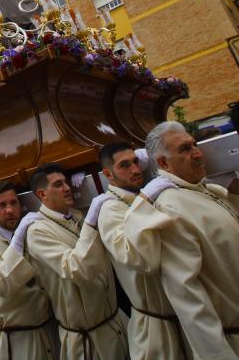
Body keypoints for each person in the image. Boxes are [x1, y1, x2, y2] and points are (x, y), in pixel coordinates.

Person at [124, 121, 239, 359]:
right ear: (163, 163)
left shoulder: (203, 190)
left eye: (195, 145)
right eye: (185, 149)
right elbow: (187, 296)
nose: (197, 153)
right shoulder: (170, 207)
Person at [12, 164, 129, 359]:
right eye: (58, 184)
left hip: (116, 323)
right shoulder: (37, 231)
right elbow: (75, 269)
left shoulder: (76, 216)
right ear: (42, 194)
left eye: (66, 182)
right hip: (88, 340)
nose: (67, 188)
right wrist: (91, 223)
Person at [87, 142, 190, 359]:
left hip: (182, 316)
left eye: (136, 162)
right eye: (125, 165)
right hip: (155, 326)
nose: (135, 170)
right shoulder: (110, 209)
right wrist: (145, 201)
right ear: (108, 173)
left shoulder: (138, 195)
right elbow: (141, 260)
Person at [0, 182, 55, 360]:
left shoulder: (31, 230)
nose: (10, 210)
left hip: (47, 329)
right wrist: (17, 241)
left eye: (13, 203)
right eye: (2, 205)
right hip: (16, 340)